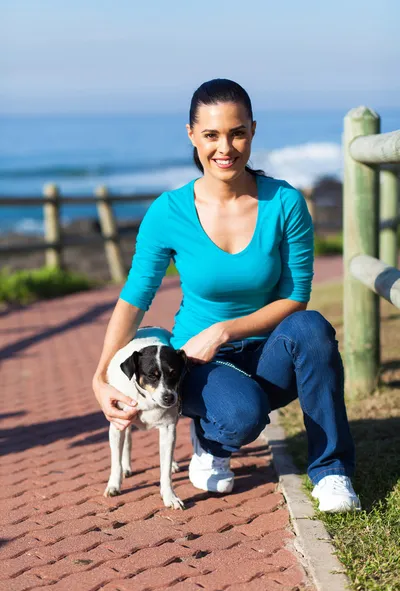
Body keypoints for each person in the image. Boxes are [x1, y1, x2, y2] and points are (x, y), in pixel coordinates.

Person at [92, 78, 361, 513]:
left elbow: (297, 297)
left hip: (269, 351)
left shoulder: (285, 202)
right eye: (212, 134)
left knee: (311, 329)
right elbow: (134, 298)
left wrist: (223, 330)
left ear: (253, 130)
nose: (226, 147)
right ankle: (211, 441)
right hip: (197, 364)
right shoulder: (169, 211)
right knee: (241, 415)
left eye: (237, 132)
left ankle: (331, 471)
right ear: (192, 135)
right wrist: (100, 376)